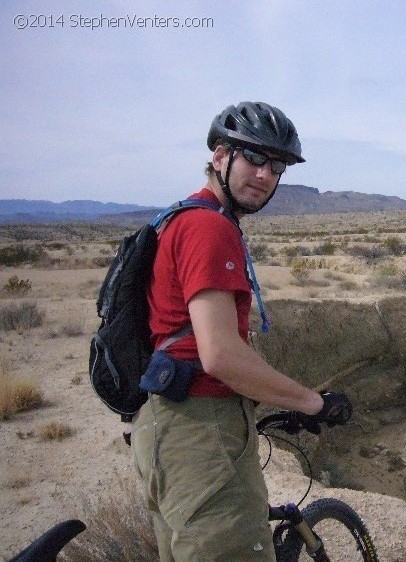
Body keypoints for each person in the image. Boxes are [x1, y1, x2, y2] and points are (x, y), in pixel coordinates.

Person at [131, 102, 352, 561]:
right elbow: (220, 355)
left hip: (167, 425)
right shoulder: (208, 228)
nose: (266, 175)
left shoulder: (180, 218)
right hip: (202, 434)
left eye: (276, 166)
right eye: (253, 159)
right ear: (219, 157)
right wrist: (313, 402)